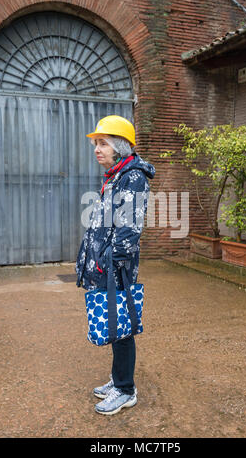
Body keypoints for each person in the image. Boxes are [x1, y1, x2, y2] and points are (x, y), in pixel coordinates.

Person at [75, 115, 155, 415]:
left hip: (115, 267)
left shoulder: (132, 177)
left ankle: (125, 389)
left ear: (120, 146)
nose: (97, 148)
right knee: (115, 321)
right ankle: (118, 379)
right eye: (96, 143)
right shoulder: (116, 175)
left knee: (121, 326)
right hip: (105, 263)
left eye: (103, 143)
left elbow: (129, 228)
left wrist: (112, 263)